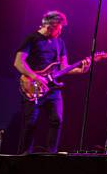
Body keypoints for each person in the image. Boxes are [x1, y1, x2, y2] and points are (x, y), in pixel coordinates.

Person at [14, 11, 90, 153]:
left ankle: (51, 154)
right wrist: (36, 77)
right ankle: (23, 156)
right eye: (59, 28)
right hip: (32, 86)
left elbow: (64, 68)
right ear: (50, 26)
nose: (60, 32)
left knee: (57, 120)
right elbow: (18, 63)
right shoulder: (32, 39)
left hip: (53, 88)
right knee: (30, 122)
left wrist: (81, 70)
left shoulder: (60, 43)